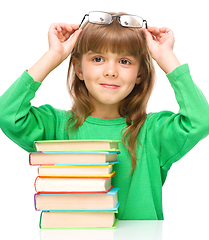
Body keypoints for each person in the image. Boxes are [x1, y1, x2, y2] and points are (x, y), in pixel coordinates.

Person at [0, 11, 209, 220]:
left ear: (140, 75)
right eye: (98, 58)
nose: (111, 71)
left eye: (125, 61)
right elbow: (8, 114)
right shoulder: (56, 127)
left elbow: (200, 120)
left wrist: (166, 57)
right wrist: (53, 55)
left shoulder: (153, 132)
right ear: (79, 69)